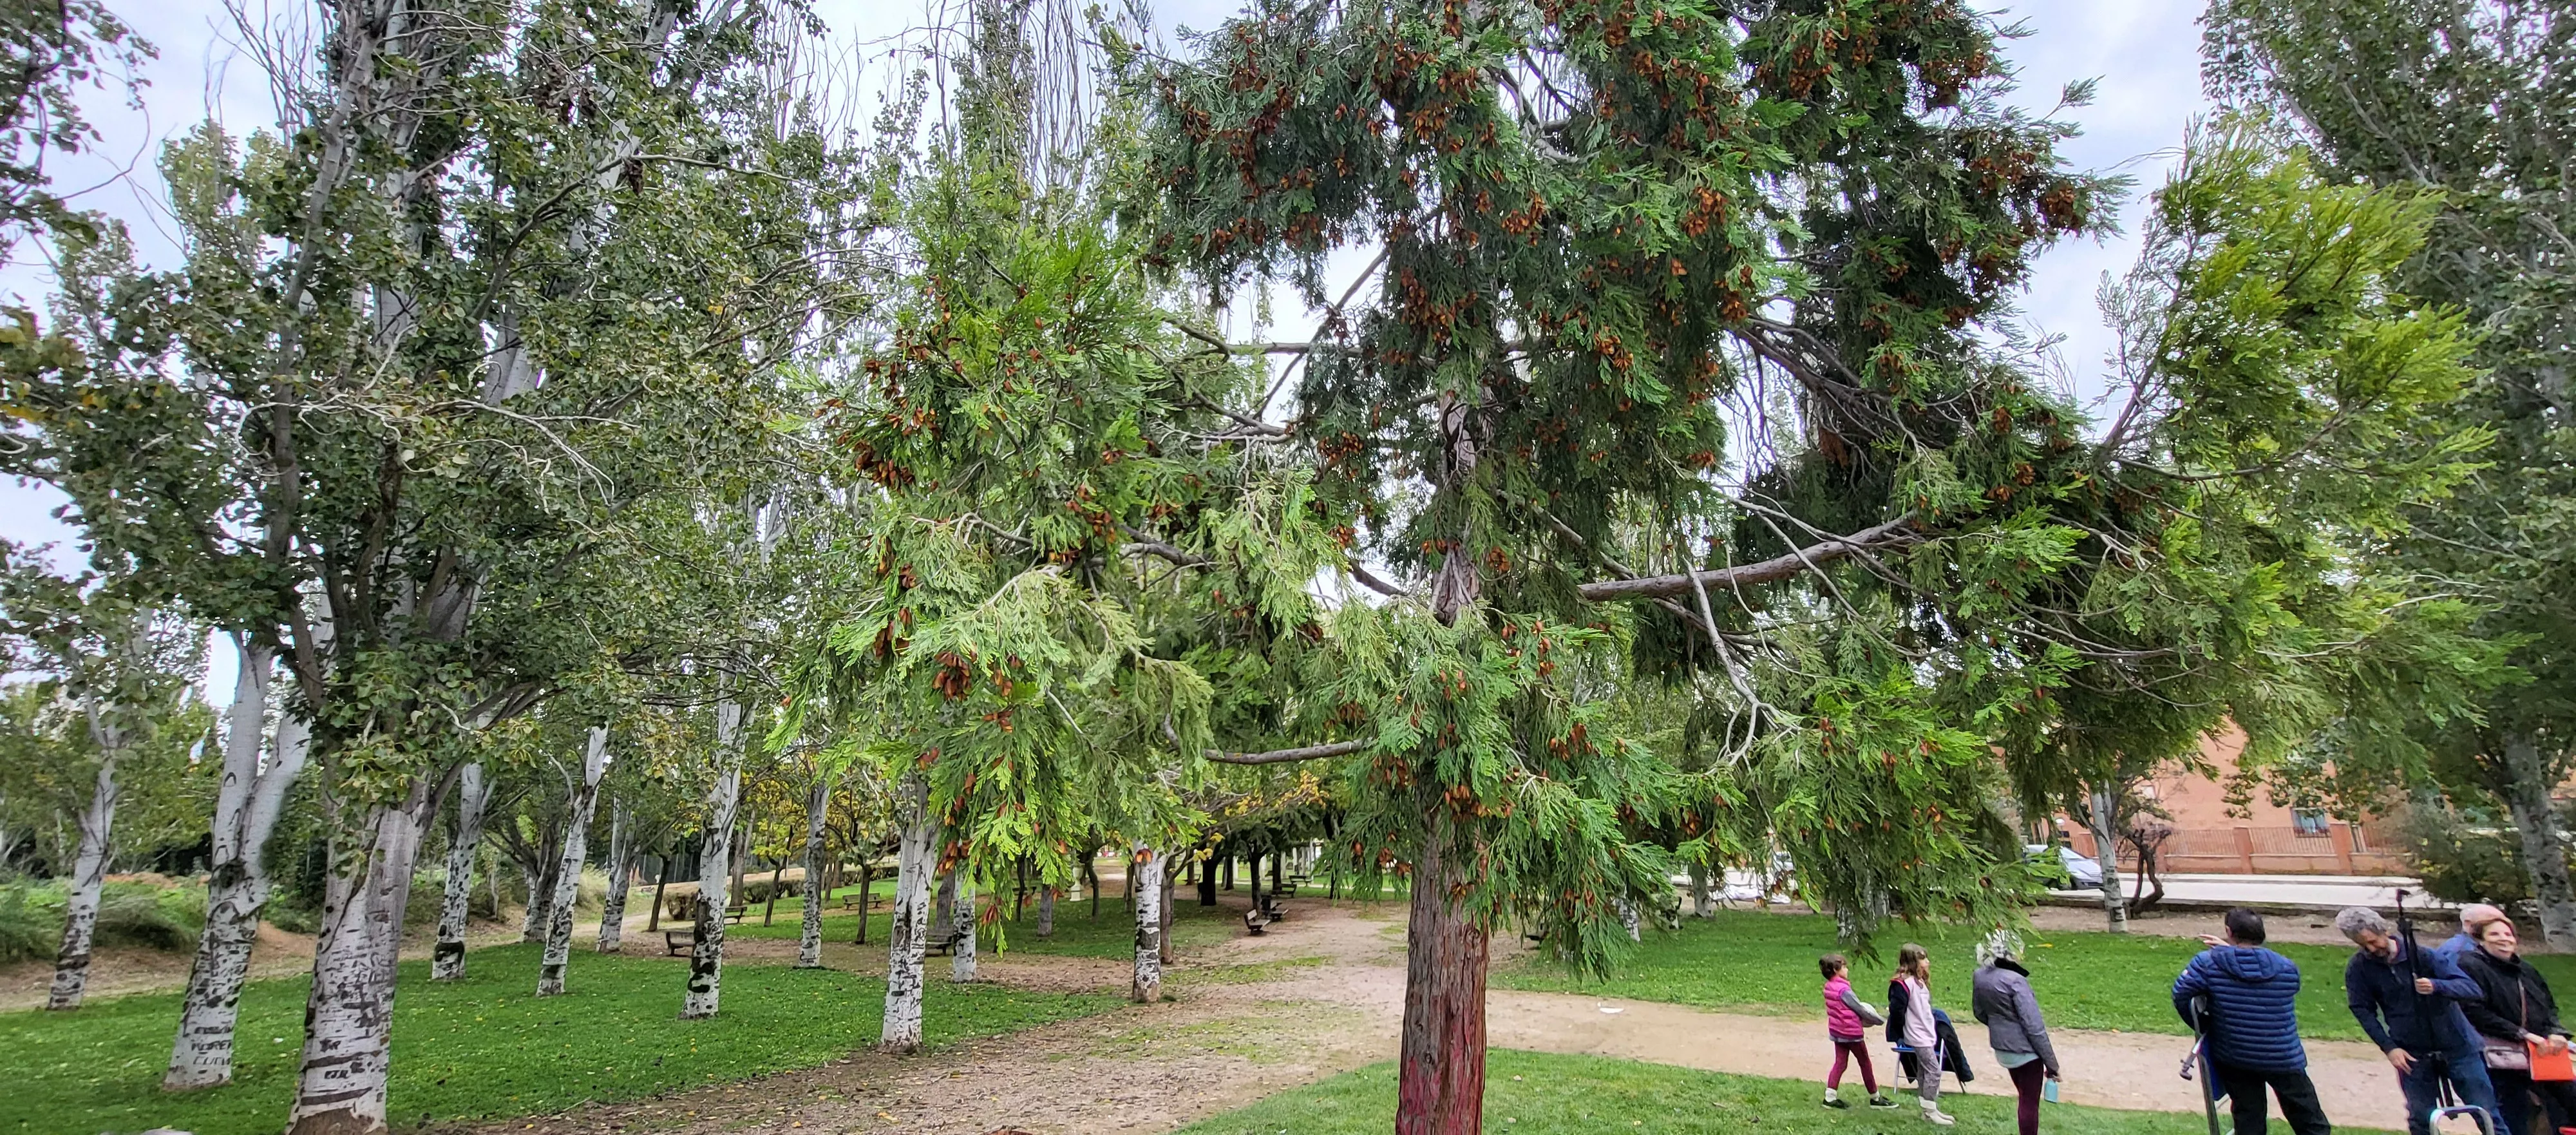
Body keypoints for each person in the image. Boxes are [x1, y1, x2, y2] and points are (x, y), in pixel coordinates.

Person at [2340, 905, 2504, 1135]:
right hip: (2411, 1052)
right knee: (2421, 1118)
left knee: (2486, 1113)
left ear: (2383, 930)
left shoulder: (2423, 955)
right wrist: (2389, 1047)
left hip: (2458, 1046)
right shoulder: (2359, 968)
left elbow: (2471, 989)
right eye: (2362, 945)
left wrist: (2436, 986)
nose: (2371, 948)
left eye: (2373, 941)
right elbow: (2361, 1009)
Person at [2172, 907, 2333, 1135]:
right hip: (2282, 1055)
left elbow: (2181, 994)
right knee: (2308, 1118)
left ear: (2229, 931)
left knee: (2249, 1119)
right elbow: (2279, 982)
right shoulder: (2286, 968)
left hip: (2236, 1054)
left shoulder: (2208, 963)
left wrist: (2205, 1025)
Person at [2454, 917, 2576, 1135]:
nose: (2503, 939)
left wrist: (2556, 1033)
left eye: (2508, 934)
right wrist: (2523, 1034)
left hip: (2542, 1054)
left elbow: (2548, 1007)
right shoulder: (2470, 965)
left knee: (2568, 1102)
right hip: (2500, 1056)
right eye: (2495, 934)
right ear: (2480, 940)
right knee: (2516, 1115)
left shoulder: (2527, 970)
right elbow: (2475, 1012)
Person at [1973, 939, 2061, 1135]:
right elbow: (2034, 1027)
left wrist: (2000, 1028)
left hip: (2003, 1051)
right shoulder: (2016, 981)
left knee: (2024, 1095)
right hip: (2025, 1053)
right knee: (2029, 1102)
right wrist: (2052, 1065)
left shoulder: (1980, 976)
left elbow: (1979, 1012)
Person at [1886, 943, 1957, 1126]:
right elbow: (1897, 1012)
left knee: (1925, 1071)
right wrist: (1902, 1032)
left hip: (1926, 1033)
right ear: (1913, 962)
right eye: (1923, 959)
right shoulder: (1903, 985)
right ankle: (1930, 1109)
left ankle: (1928, 1110)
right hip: (1917, 1036)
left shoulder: (1919, 982)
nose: (1928, 962)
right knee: (1934, 1070)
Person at [1820, 953, 1897, 1109]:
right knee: (1865, 1063)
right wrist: (1879, 1020)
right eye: (1845, 967)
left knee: (1840, 1063)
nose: (1847, 970)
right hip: (1852, 1034)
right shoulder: (1844, 990)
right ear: (1836, 970)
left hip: (1837, 1033)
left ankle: (1830, 1098)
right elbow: (1859, 1009)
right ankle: (1875, 1098)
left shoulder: (1829, 987)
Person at [2439, 904, 2512, 962]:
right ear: (2468, 924)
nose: (2500, 926)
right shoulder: (2460, 952)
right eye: (2491, 922)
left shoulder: (2482, 947)